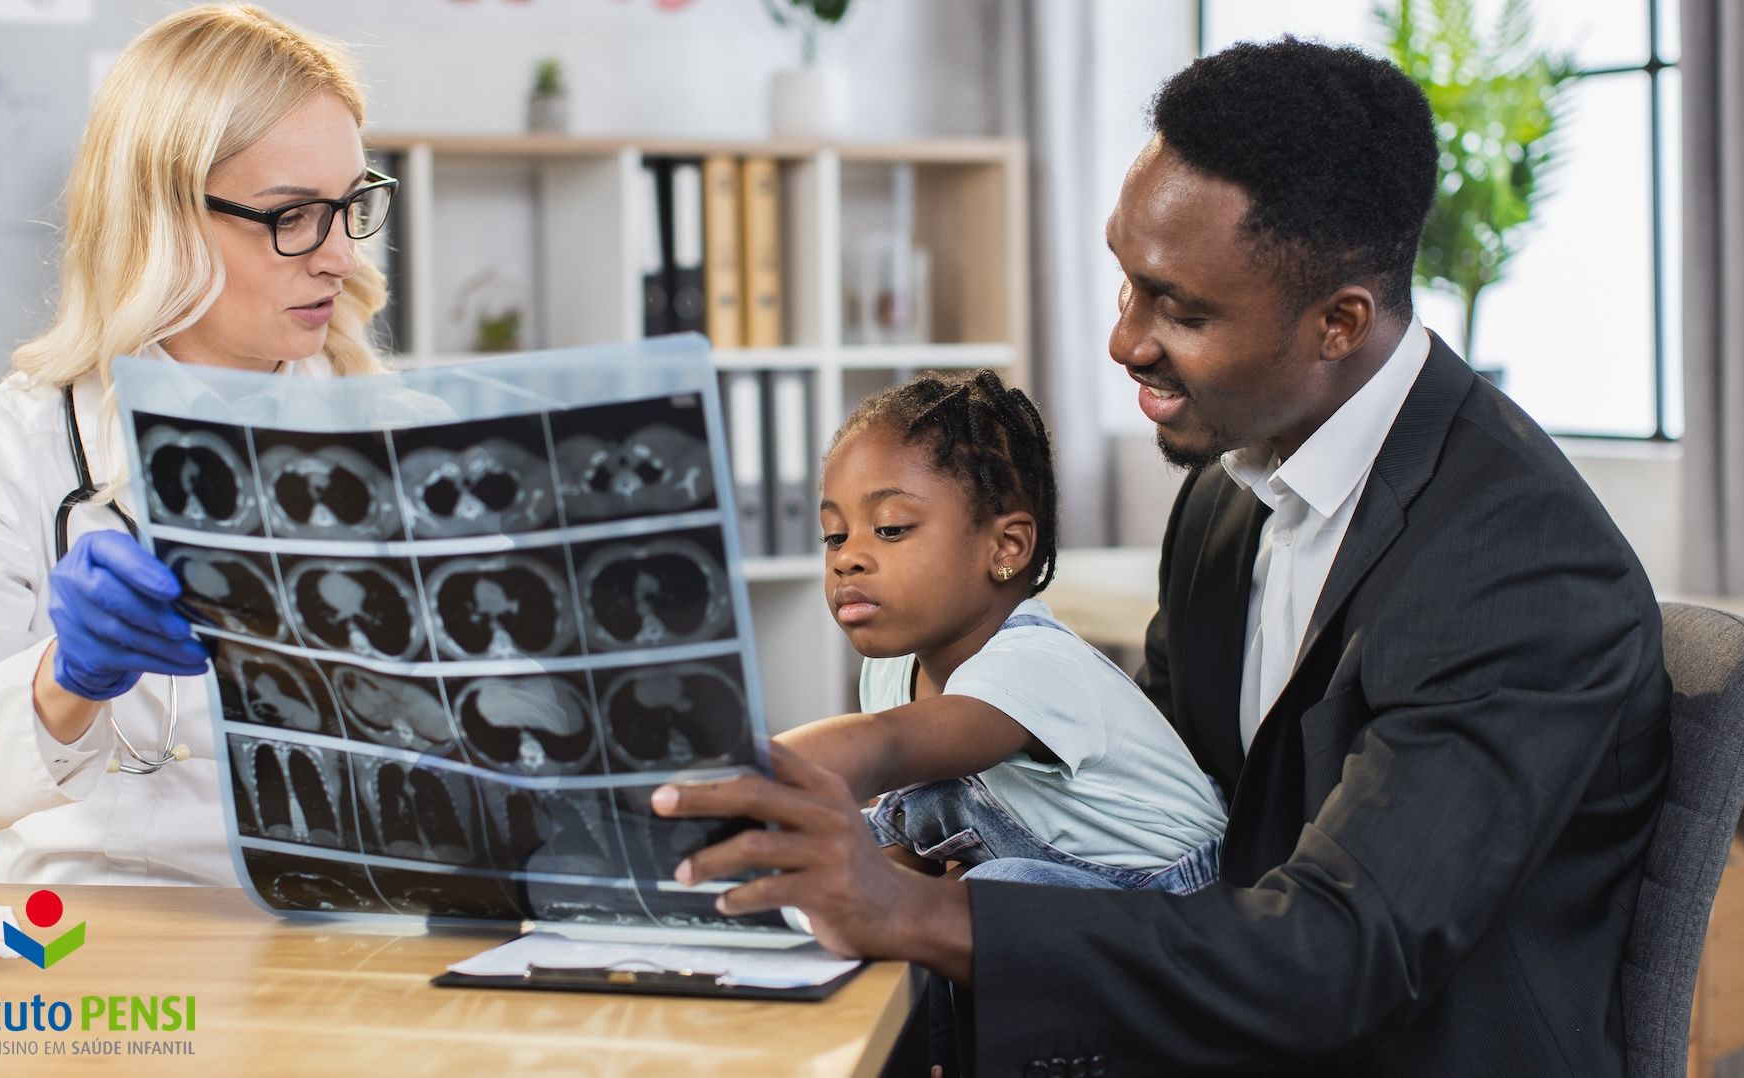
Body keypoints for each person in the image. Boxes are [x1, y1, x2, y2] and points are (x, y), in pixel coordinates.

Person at [656, 37, 1671, 1075]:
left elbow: (1337, 955)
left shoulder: (1518, 571)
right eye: (1127, 286)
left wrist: (912, 912)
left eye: (1182, 310)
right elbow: (1160, 821)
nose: (1124, 342)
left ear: (1338, 324)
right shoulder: (1225, 502)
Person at [0, 4, 392, 885]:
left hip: (348, 939)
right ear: (161, 220)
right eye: (294, 215)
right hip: (91, 951)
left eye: (351, 206)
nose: (339, 256)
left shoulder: (400, 442)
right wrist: (65, 677)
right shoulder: (5, 444)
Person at [780, 369, 1227, 893]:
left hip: (1183, 900)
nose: (848, 558)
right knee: (848, 853)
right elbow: (917, 842)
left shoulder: (1035, 665)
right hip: (1058, 896)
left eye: (891, 529)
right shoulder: (888, 672)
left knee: (997, 886)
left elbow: (887, 747)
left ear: (1006, 548)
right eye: (834, 535)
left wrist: (746, 778)